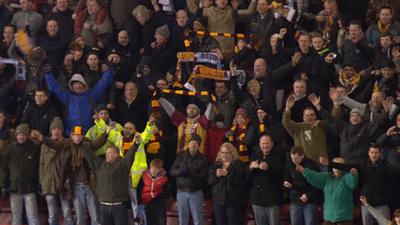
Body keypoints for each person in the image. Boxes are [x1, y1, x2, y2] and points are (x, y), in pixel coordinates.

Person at [81, 131, 141, 225]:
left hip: (119, 207)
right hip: (104, 206)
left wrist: (136, 144)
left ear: (117, 154)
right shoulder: (99, 164)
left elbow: (130, 154)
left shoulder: (123, 165)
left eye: (111, 153)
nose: (108, 155)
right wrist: (80, 143)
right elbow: (90, 155)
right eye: (107, 153)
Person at [44, 63, 114, 135]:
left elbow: (102, 85)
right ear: (72, 85)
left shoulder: (91, 95)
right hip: (71, 134)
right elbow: (55, 88)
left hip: (88, 133)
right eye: (75, 84)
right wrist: (48, 74)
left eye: (80, 83)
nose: (78, 86)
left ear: (84, 85)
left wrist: (109, 72)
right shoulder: (67, 97)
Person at [35, 118, 74, 225]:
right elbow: (41, 164)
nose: (56, 132)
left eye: (58, 129)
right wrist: (42, 180)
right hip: (48, 182)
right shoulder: (44, 145)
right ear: (51, 131)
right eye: (53, 129)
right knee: (52, 215)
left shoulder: (67, 143)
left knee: (67, 213)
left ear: (62, 130)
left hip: (63, 183)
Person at [297, 157, 358, 225]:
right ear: (332, 167)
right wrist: (304, 171)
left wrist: (354, 174)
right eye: (335, 166)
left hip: (344, 218)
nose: (337, 169)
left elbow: (353, 182)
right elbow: (315, 176)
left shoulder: (347, 177)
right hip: (329, 218)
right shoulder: (327, 177)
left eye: (339, 166)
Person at [2, 124, 40, 225]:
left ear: (27, 135)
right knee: (16, 217)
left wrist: (38, 185)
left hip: (30, 188)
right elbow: (4, 169)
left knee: (33, 216)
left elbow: (38, 168)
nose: (21, 137)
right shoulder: (10, 149)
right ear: (16, 135)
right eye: (19, 134)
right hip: (14, 188)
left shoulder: (34, 148)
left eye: (23, 134)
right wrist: (4, 185)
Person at [170, 134, 209, 225]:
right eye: (191, 142)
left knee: (198, 220)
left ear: (199, 146)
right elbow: (172, 171)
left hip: (196, 192)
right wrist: (180, 172)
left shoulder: (203, 159)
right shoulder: (180, 155)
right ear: (188, 144)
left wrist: (191, 174)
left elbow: (203, 175)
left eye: (195, 143)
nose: (193, 145)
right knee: (183, 220)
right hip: (181, 191)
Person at [248, 135, 285, 225]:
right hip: (257, 198)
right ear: (260, 145)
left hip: (273, 199)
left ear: (272, 144)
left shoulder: (280, 156)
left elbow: (282, 173)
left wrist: (268, 168)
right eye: (263, 143)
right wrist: (250, 168)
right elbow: (247, 179)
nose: (265, 146)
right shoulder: (255, 156)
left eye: (267, 143)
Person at [208, 142, 246, 225]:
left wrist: (227, 174)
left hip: (233, 201)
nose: (224, 155)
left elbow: (240, 180)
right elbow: (209, 181)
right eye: (222, 153)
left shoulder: (238, 164)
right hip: (218, 201)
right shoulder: (215, 165)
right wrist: (216, 175)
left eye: (227, 153)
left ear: (232, 153)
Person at [284, 146, 321, 225]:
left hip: (310, 200)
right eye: (292, 158)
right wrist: (287, 183)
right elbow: (286, 177)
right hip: (295, 199)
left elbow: (318, 184)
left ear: (302, 156)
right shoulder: (289, 164)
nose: (294, 161)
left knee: (310, 222)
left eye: (297, 158)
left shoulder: (311, 165)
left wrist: (308, 195)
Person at [140, 159, 169, 225]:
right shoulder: (144, 176)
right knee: (149, 221)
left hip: (159, 201)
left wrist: (159, 194)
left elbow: (166, 192)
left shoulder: (164, 179)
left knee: (161, 221)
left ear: (160, 169)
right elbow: (140, 189)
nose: (153, 170)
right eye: (152, 168)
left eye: (156, 169)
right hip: (147, 202)